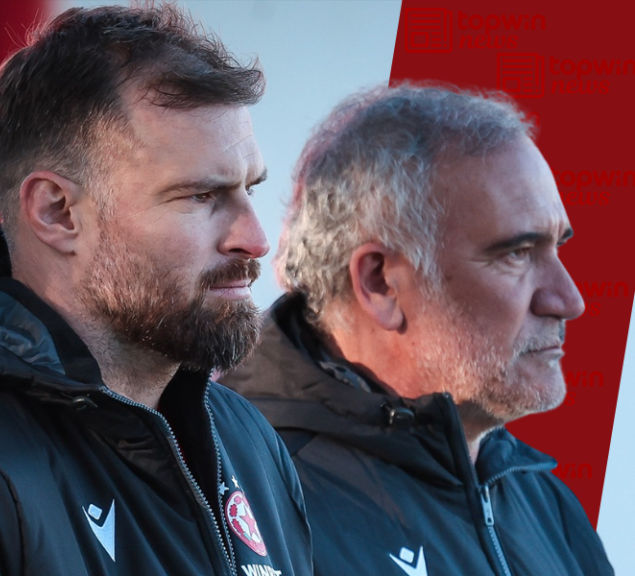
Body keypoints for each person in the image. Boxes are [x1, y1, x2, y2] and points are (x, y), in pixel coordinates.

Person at [0, 5, 312, 575]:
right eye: (201, 196)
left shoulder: (247, 439)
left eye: (251, 189)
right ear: (57, 212)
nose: (254, 240)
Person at [221, 84, 613, 576]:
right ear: (380, 282)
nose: (569, 301)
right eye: (517, 254)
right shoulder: (243, 496)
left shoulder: (544, 503)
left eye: (558, 247)